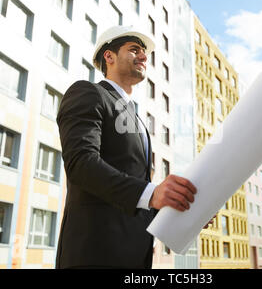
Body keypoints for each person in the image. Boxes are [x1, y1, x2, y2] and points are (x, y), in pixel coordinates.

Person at [55, 25, 198, 269]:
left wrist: (181, 211)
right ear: (108, 56)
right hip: (95, 256)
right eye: (134, 50)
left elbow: (136, 198)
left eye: (144, 52)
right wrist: (152, 193)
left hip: (135, 258)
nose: (144, 56)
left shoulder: (137, 119)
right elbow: (81, 164)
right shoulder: (88, 93)